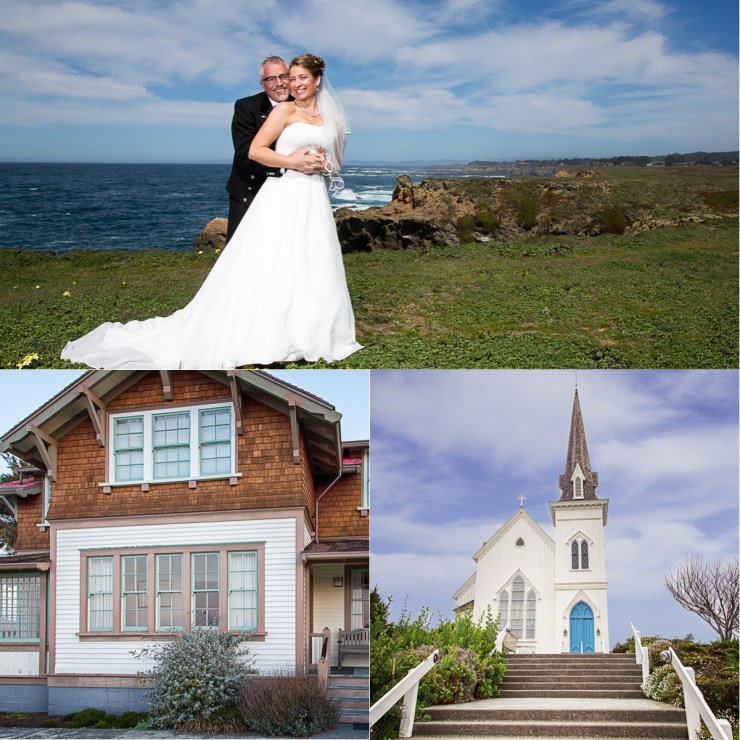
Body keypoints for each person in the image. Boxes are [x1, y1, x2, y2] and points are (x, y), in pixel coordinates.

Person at [60, 53, 362, 370]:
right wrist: (294, 161)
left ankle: (310, 331)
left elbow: (336, 162)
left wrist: (322, 164)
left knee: (310, 260)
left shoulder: (332, 119)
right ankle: (267, 329)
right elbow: (255, 151)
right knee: (271, 260)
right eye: (292, 78)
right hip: (283, 193)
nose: (294, 84)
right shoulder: (284, 110)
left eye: (301, 78)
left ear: (317, 80)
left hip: (313, 195)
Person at [225, 55, 326, 242]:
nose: (278, 83)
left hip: (292, 192)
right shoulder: (247, 107)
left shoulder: (304, 107)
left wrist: (318, 161)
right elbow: (245, 155)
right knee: (241, 250)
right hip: (250, 190)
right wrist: (290, 164)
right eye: (271, 79)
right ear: (263, 84)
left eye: (283, 76)